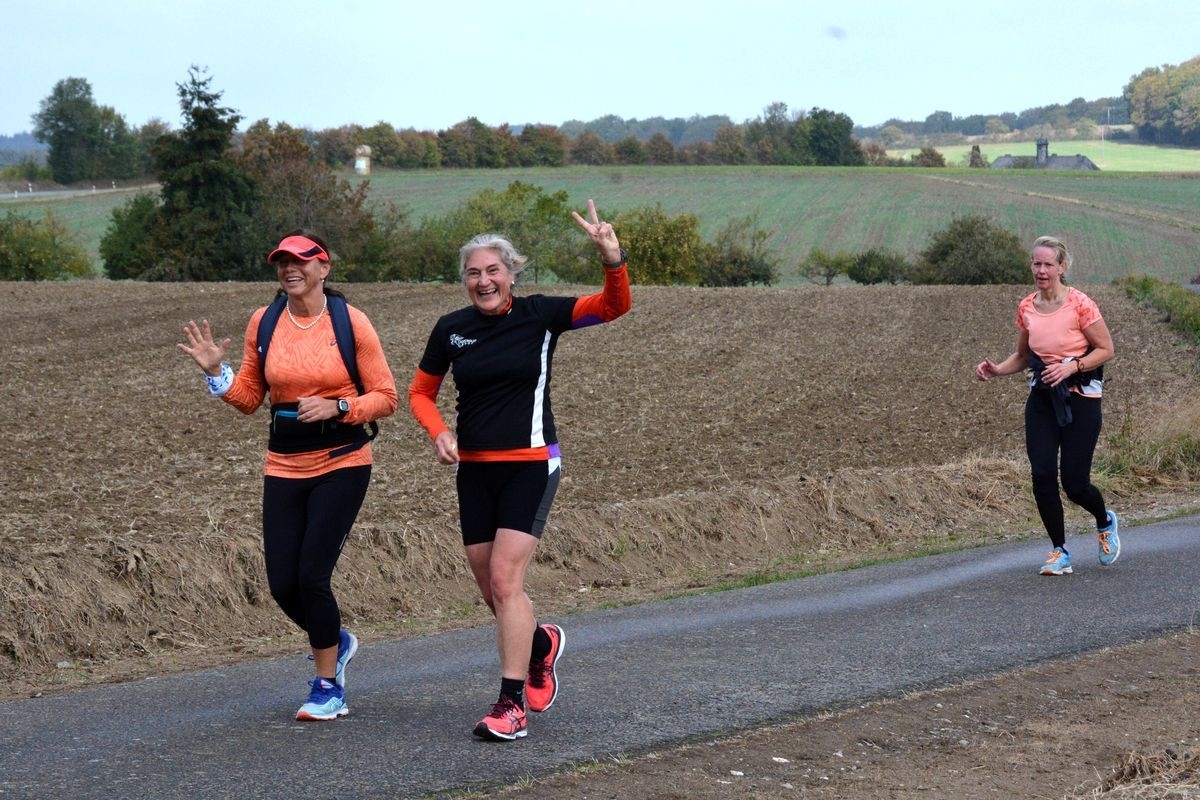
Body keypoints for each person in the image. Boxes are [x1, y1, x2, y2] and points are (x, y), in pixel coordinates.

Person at [408, 200, 631, 741]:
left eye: (493, 270)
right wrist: (438, 431)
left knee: (507, 582)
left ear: (511, 274)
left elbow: (612, 307)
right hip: (475, 471)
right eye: (473, 273)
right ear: (464, 280)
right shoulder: (451, 329)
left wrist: (612, 258)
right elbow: (420, 391)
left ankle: (510, 706)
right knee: (492, 590)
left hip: (532, 464)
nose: (484, 281)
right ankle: (540, 645)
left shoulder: (540, 315)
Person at [178, 230, 398, 720]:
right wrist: (217, 373)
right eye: (282, 262)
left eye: (301, 260)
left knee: (311, 576)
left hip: (342, 461)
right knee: (282, 584)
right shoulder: (266, 320)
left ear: (324, 268)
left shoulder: (350, 322)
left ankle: (328, 687)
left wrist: (340, 405)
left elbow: (386, 397)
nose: (289, 268)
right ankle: (334, 640)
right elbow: (250, 399)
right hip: (283, 463)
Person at [975, 235, 1119, 576]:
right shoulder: (1026, 306)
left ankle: (1104, 521)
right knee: (1041, 474)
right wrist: (997, 370)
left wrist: (1072, 365)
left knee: (1075, 483)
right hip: (1042, 399)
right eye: (1036, 264)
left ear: (1062, 267)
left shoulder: (1081, 304)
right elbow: (1023, 356)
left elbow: (1106, 349)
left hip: (1081, 399)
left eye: (1048, 264)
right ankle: (1059, 551)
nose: (1041, 270)